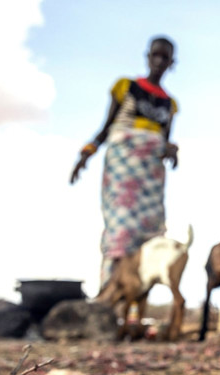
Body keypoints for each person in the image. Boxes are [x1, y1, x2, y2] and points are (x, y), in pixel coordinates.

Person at [70, 36, 180, 290]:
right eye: (156, 55)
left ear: (172, 63)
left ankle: (133, 301)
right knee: (121, 226)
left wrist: (170, 150)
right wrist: (86, 154)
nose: (160, 61)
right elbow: (106, 126)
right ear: (148, 56)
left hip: (151, 174)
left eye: (165, 57)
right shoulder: (126, 87)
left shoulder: (170, 104)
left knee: (149, 234)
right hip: (123, 166)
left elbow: (165, 139)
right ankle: (109, 290)